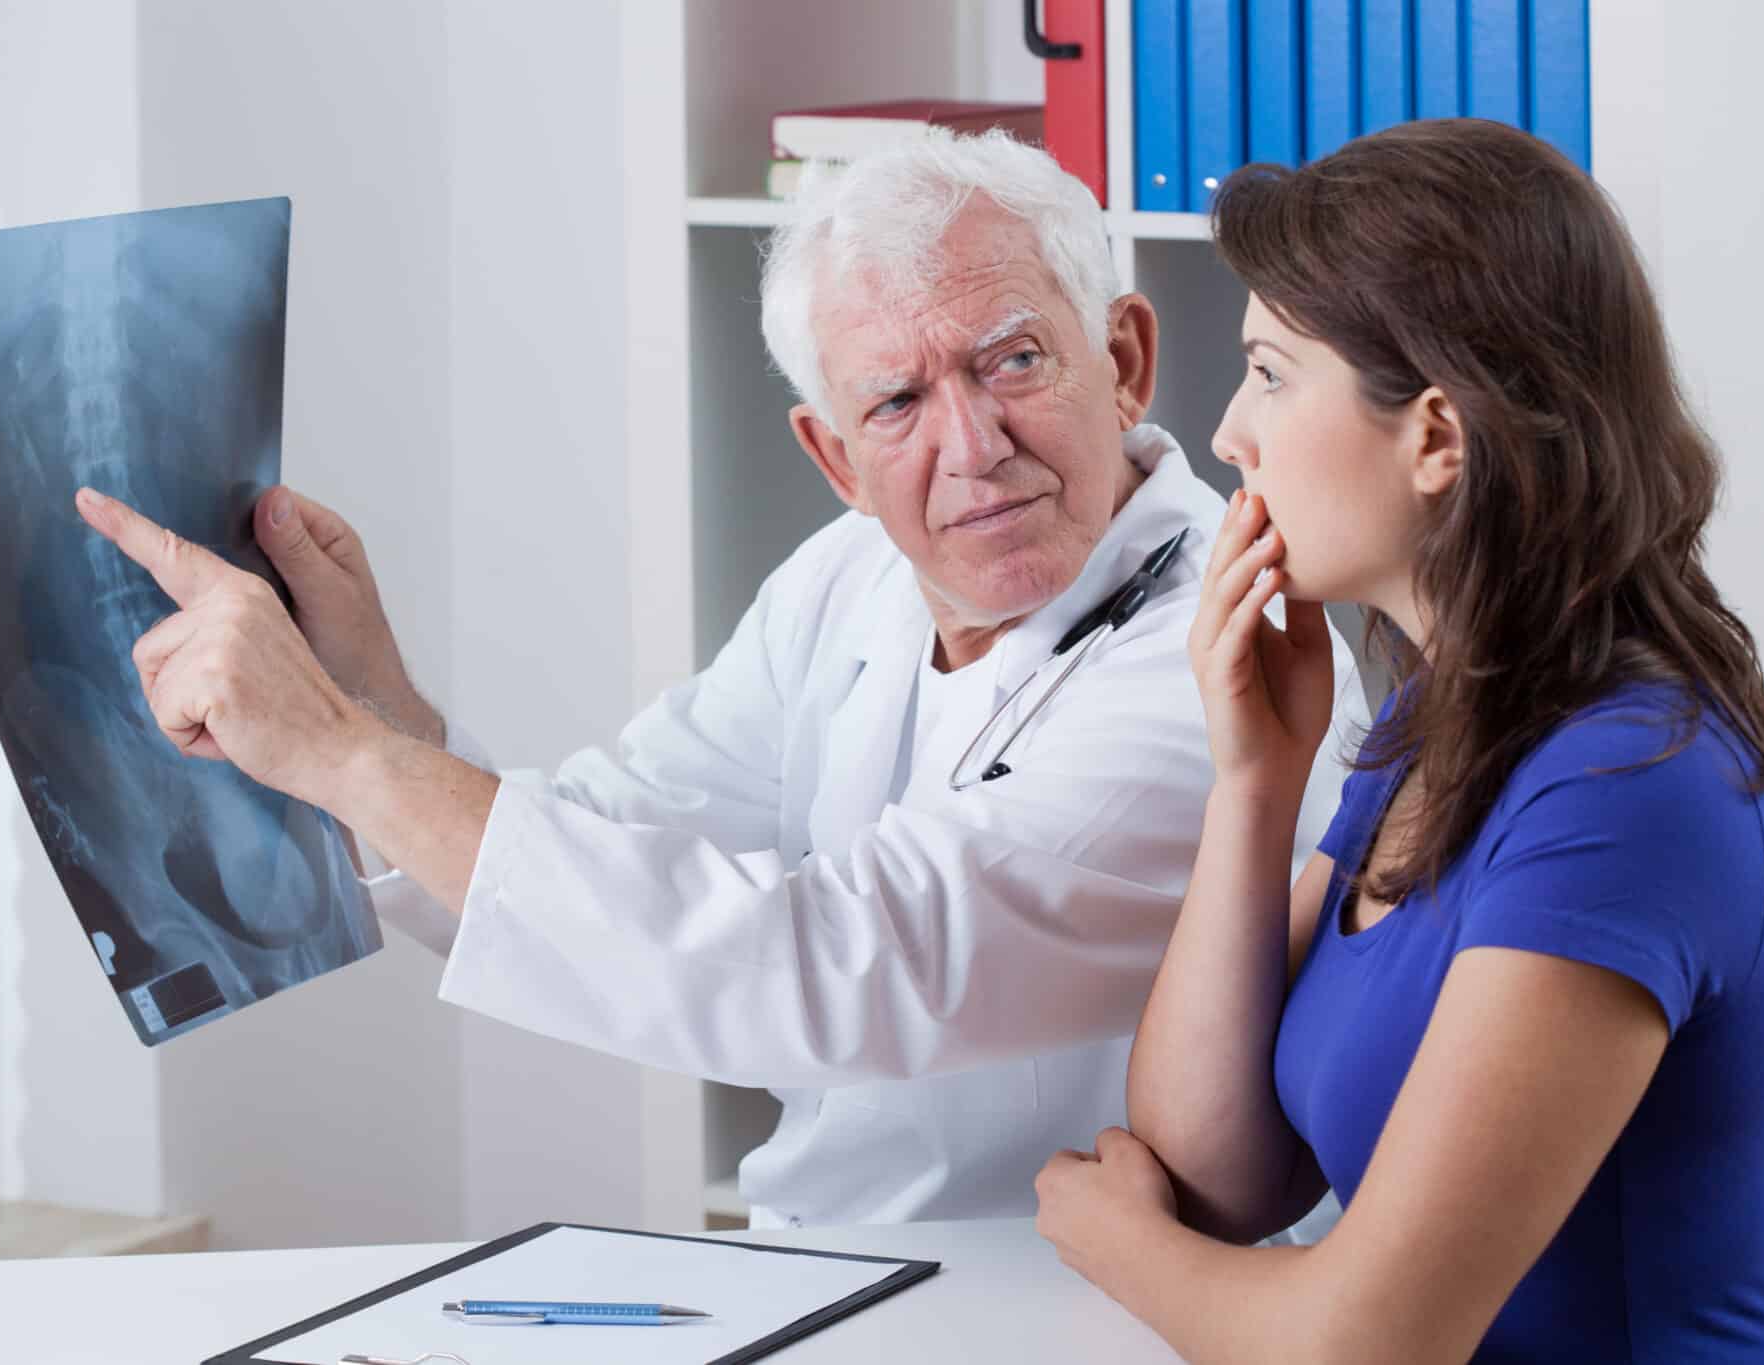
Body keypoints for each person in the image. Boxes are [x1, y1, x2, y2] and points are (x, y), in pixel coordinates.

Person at [72, 132, 1369, 1230]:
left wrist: (345, 754)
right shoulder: (849, 577)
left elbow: (820, 966)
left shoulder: (1226, 657)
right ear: (833, 454)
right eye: (898, 401)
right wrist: (372, 705)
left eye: (1012, 360)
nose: (972, 447)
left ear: (1126, 358)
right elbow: (608, 838)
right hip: (825, 1263)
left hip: (1060, 1296)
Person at [1031, 117, 1764, 1361]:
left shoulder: (1629, 788)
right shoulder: (1438, 721)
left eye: (1272, 373)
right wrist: (1255, 778)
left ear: (1438, 439)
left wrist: (1117, 1241)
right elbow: (1218, 1175)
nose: (1230, 433)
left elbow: (1367, 1345)